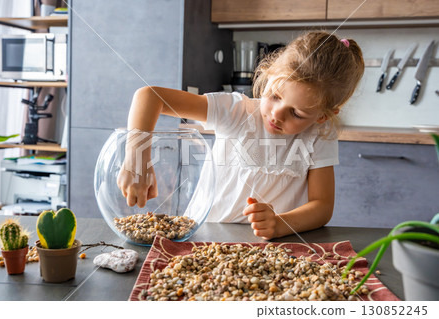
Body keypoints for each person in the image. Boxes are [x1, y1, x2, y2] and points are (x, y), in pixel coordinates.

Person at [117, 31, 365, 240]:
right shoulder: (236, 111)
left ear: (322, 116)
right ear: (267, 75)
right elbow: (149, 96)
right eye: (275, 96)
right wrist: (137, 159)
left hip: (270, 250)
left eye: (297, 113)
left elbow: (322, 207)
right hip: (201, 237)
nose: (277, 114)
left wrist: (279, 224)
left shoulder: (319, 136)